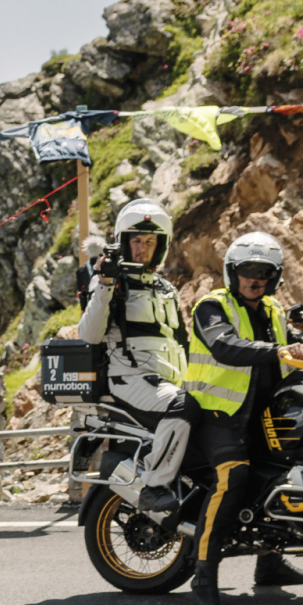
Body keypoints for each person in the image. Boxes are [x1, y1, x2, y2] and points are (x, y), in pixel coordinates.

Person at [181, 231, 303, 605]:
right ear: (232, 272)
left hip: (261, 415)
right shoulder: (211, 307)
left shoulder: (273, 309)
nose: (254, 278)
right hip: (217, 415)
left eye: (263, 271)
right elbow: (225, 345)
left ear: (274, 277)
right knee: (234, 477)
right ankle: (204, 573)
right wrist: (279, 350)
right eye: (247, 270)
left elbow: (296, 341)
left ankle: (269, 562)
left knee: (284, 474)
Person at [76, 198, 190, 516]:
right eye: (136, 241)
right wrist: (105, 282)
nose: (142, 248)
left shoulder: (167, 289)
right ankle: (154, 486)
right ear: (125, 243)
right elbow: (89, 335)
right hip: (132, 380)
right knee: (183, 406)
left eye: (150, 242)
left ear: (161, 246)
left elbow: (183, 343)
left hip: (169, 382)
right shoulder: (113, 283)